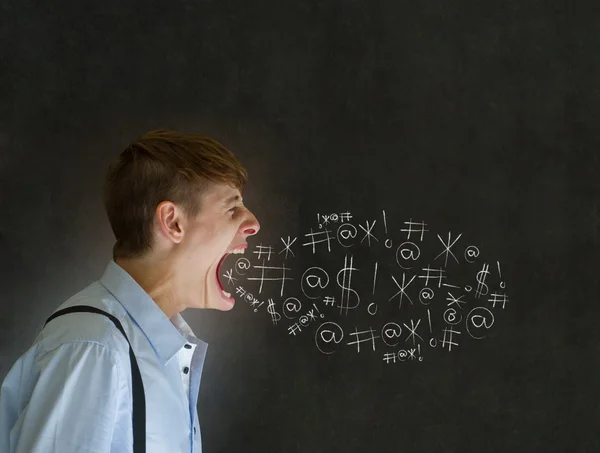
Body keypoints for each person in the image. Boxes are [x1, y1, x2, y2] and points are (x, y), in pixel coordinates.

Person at [0, 129, 260, 452]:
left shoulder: (153, 349)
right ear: (172, 221)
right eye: (232, 208)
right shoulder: (95, 348)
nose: (253, 223)